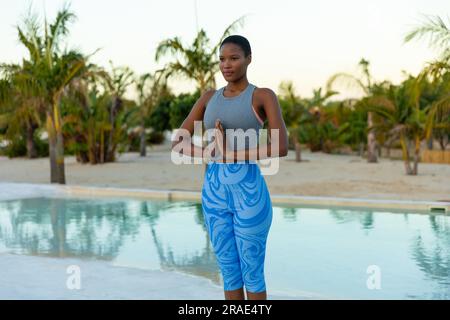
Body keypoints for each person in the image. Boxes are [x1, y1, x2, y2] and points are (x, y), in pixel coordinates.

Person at [172, 35, 288, 300]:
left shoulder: (262, 96)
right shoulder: (209, 97)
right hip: (214, 197)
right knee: (229, 272)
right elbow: (179, 142)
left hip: (249, 196)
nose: (227, 65)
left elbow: (280, 146)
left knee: (252, 273)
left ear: (249, 59)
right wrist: (208, 152)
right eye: (222, 59)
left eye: (234, 58)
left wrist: (233, 154)